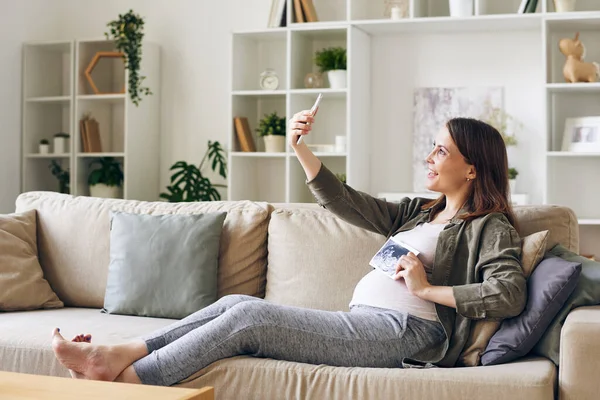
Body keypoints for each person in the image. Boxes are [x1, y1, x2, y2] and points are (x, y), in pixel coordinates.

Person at [51, 112, 526, 386]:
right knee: (238, 303)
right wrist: (300, 147)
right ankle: (117, 356)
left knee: (251, 319)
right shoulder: (419, 211)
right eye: (433, 147)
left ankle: (132, 384)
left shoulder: (490, 226)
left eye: (442, 151)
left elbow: (508, 294)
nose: (430, 156)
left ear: (472, 169)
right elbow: (345, 201)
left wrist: (427, 290)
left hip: (408, 335)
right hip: (369, 322)